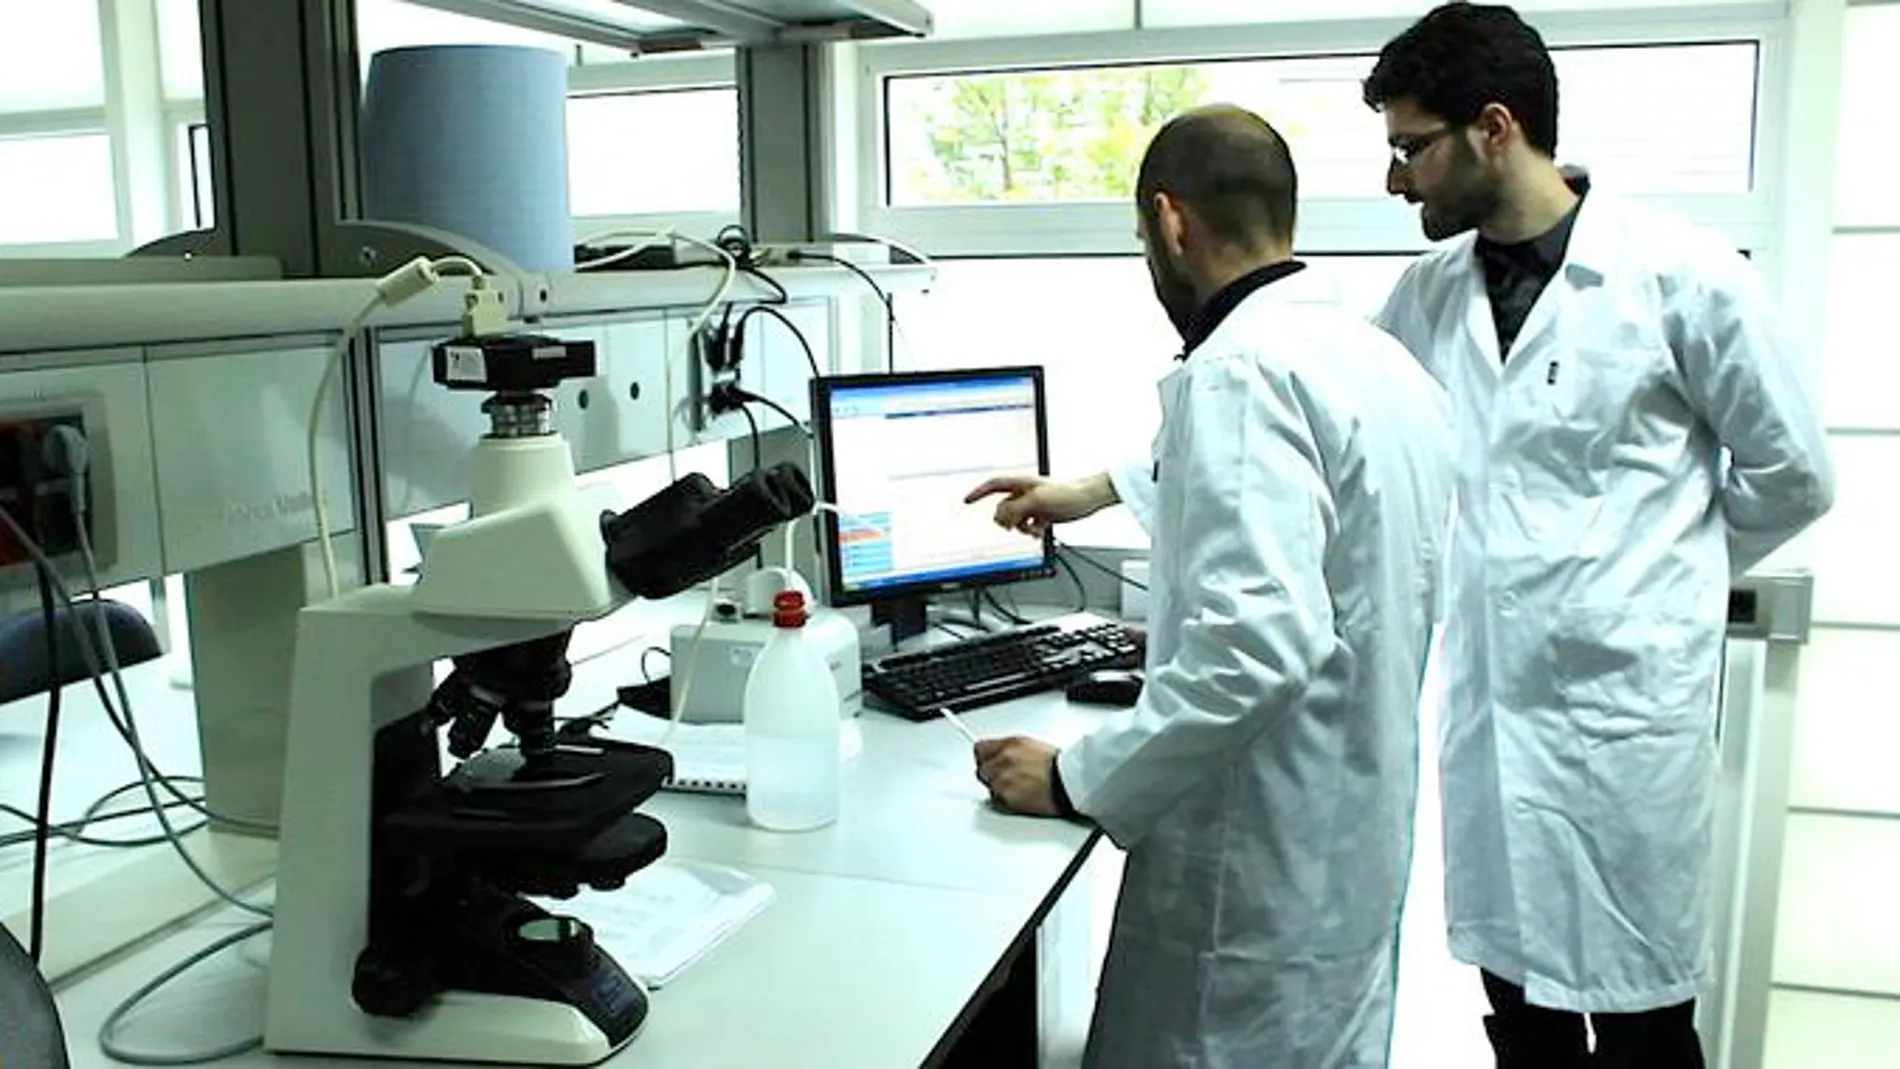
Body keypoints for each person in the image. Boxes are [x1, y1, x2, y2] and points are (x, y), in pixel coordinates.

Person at [1362, 5, 1836, 1067]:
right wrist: (1107, 485)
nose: (1398, 181)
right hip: (1490, 715)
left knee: (1641, 1028)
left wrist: (1656, 582)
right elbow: (1334, 428)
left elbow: (1793, 474)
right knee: (1516, 1012)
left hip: (1624, 722)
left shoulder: (1681, 275)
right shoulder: (1426, 294)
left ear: (1493, 128)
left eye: (1410, 147)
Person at [964, 104, 1455, 1069]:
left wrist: (1073, 777)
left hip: (1252, 876)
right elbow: (1293, 501)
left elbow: (1253, 648)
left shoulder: (1242, 371)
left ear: (1170, 222)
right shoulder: (1372, 358)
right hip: (1341, 843)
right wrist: (1094, 489)